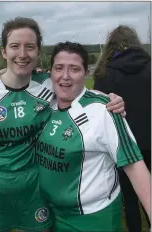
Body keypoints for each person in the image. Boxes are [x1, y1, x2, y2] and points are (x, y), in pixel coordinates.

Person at [0, 17, 125, 232]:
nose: (23, 54)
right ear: (4, 52)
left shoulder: (47, 84)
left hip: (35, 185)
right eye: (15, 46)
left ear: (38, 52)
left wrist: (109, 98)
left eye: (30, 47)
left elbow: (79, 91)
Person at [36, 41, 150, 232]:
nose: (65, 76)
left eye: (74, 69)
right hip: (50, 213)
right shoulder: (44, 106)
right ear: (50, 72)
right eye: (59, 68)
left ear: (85, 74)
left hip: (93, 218)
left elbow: (135, 166)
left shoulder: (104, 110)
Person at [93, 25, 151, 231]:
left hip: (122, 145)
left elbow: (96, 112)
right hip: (149, 141)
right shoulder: (149, 66)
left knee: (129, 196)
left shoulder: (104, 72)